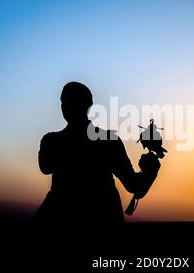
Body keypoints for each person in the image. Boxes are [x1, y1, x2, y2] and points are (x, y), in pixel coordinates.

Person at [34, 82, 160, 228]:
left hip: (61, 219)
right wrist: (151, 171)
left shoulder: (52, 141)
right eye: (64, 101)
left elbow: (46, 165)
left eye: (68, 101)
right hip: (102, 218)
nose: (65, 105)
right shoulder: (108, 140)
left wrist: (150, 171)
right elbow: (134, 186)